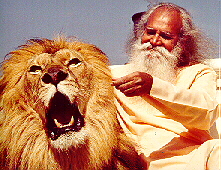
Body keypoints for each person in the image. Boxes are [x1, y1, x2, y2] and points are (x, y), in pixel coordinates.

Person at [111, 2, 220, 170]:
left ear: (183, 43)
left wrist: (152, 87)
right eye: (150, 32)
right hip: (142, 163)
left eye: (166, 36)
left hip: (196, 160)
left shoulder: (199, 72)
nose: (154, 41)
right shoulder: (117, 76)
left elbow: (206, 113)